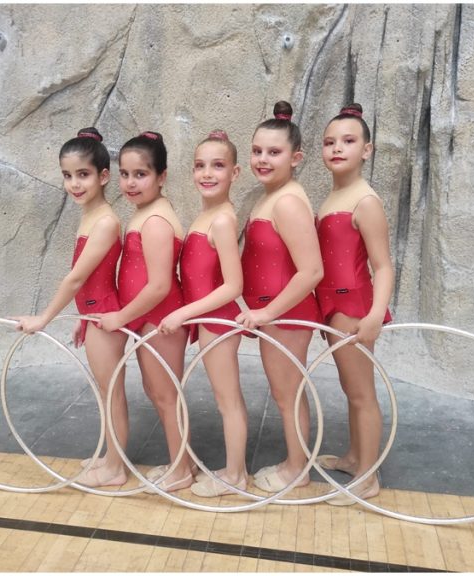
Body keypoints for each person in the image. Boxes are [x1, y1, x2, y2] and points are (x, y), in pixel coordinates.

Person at [12, 128, 131, 488]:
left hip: (104, 316)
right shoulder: (91, 215)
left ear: (103, 176)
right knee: (104, 390)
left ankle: (116, 468)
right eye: (67, 176)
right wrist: (80, 316)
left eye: (83, 175)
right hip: (93, 314)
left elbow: (77, 279)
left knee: (111, 392)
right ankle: (111, 457)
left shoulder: (107, 221)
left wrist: (44, 318)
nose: (74, 184)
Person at [97, 131, 194, 492]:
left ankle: (182, 468)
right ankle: (179, 461)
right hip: (148, 318)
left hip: (161, 317)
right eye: (124, 173)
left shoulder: (155, 221)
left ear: (162, 176)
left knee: (166, 395)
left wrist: (121, 318)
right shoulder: (146, 213)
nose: (130, 183)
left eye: (141, 174)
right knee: (158, 392)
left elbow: (158, 286)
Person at [311, 103, 394, 506]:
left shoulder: (365, 201)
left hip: (354, 306)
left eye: (348, 141)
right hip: (334, 305)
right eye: (329, 142)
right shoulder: (335, 195)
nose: (337, 149)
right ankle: (355, 456)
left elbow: (383, 265)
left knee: (362, 392)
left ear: (367, 150)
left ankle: (367, 477)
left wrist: (375, 314)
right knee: (350, 387)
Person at [157, 130, 248, 497]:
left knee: (228, 400)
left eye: (218, 166)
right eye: (200, 166)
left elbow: (232, 286)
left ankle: (236, 475)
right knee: (223, 397)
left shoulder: (223, 220)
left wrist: (184, 314)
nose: (207, 173)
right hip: (206, 320)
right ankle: (212, 467)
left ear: (235, 173)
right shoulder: (206, 214)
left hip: (218, 320)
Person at [240, 101, 324, 493]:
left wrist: (267, 313)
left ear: (296, 157)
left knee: (287, 392)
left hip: (287, 314)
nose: (262, 159)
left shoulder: (287, 201)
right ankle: (296, 461)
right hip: (274, 313)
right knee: (284, 391)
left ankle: (297, 468)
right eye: (257, 151)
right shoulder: (270, 195)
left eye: (273, 152)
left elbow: (311, 271)